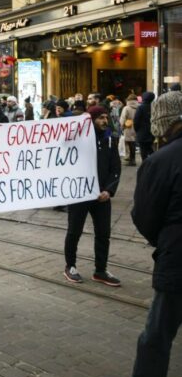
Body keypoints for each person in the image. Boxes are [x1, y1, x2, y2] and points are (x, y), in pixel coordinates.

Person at [106, 100, 182, 377]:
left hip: (178, 260)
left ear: (160, 123)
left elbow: (144, 215)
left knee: (157, 332)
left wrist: (163, 240)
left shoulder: (162, 160)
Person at [63, 106, 122, 286]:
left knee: (103, 233)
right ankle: (70, 266)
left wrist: (109, 190)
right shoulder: (77, 140)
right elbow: (62, 149)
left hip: (101, 195)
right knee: (74, 231)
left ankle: (100, 270)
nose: (104, 121)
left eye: (106, 117)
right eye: (100, 118)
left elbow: (116, 169)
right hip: (80, 194)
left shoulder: (110, 141)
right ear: (91, 120)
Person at [134, 92, 155, 160]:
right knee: (149, 147)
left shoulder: (140, 108)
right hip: (151, 131)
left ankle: (145, 164)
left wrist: (137, 130)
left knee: (143, 150)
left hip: (141, 132)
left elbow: (136, 121)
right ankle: (153, 161)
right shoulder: (154, 107)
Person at [119, 95, 139, 165]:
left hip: (128, 126)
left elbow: (123, 118)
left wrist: (121, 126)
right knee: (133, 143)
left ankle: (132, 160)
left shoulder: (126, 108)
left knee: (130, 143)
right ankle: (131, 158)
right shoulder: (139, 107)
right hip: (136, 126)